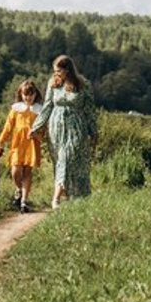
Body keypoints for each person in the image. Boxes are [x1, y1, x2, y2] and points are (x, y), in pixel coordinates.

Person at [30, 54, 97, 208]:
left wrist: (93, 131)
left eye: (58, 71)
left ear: (67, 70)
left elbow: (90, 110)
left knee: (68, 158)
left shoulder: (83, 84)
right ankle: (69, 198)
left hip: (76, 127)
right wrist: (36, 127)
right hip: (56, 128)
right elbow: (47, 107)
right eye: (54, 71)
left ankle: (56, 199)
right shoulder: (53, 84)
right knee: (60, 162)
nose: (56, 74)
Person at [0, 78, 43, 213]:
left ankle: (24, 200)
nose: (28, 97)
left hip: (32, 144)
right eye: (25, 94)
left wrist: (36, 134)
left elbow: (43, 131)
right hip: (17, 144)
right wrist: (0, 142)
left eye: (31, 94)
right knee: (15, 171)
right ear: (21, 95)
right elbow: (7, 127)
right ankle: (18, 188)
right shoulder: (16, 110)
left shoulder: (39, 111)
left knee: (28, 172)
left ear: (35, 94)